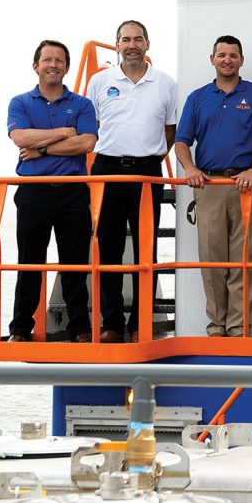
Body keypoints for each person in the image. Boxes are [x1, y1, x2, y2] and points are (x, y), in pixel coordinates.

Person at [174, 35, 252, 337]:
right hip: (208, 185)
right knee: (211, 260)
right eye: (222, 55)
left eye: (233, 55)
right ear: (212, 59)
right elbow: (181, 142)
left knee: (244, 259)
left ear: (241, 60)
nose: (227, 60)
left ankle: (239, 328)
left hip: (246, 185)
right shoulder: (197, 97)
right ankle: (216, 328)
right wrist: (190, 169)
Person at [87, 20, 178, 343]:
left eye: (138, 39)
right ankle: (111, 323)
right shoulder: (99, 82)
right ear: (117, 45)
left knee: (145, 249)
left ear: (148, 44)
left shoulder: (166, 83)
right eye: (125, 40)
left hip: (146, 172)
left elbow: (170, 131)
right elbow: (93, 126)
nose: (132, 45)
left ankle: (141, 322)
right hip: (107, 170)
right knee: (108, 247)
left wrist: (147, 156)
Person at [6, 40, 98, 343]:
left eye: (59, 60)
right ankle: (20, 329)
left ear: (67, 68)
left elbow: (86, 143)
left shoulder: (82, 104)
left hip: (72, 192)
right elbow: (20, 137)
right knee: (29, 262)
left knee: (75, 264)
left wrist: (42, 148)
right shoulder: (20, 102)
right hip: (33, 193)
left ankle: (79, 328)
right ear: (36, 66)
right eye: (47, 60)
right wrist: (63, 133)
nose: (53, 65)